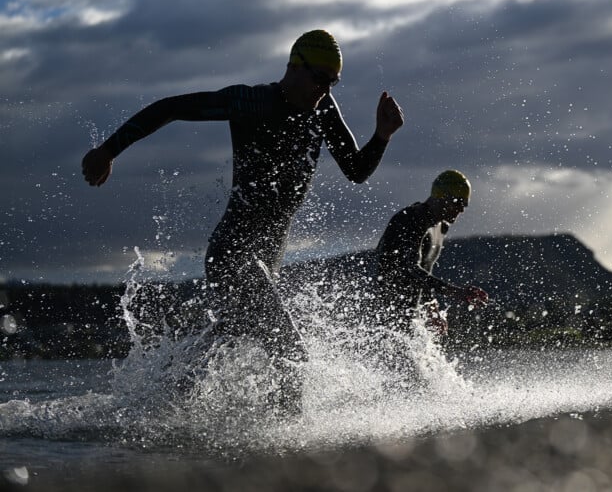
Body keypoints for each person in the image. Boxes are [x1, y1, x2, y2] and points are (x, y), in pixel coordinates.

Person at [81, 30, 404, 412]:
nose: (324, 89)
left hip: (268, 259)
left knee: (226, 344)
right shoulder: (251, 101)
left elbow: (355, 169)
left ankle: (149, 406)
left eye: (332, 82)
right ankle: (285, 452)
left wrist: (382, 136)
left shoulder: (323, 108)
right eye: (318, 78)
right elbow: (170, 108)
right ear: (294, 67)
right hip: (233, 253)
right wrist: (108, 150)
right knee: (292, 356)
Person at [372, 170, 488, 382]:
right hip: (386, 316)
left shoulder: (441, 227)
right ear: (439, 196)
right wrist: (455, 291)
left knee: (421, 378)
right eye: (456, 202)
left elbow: (425, 269)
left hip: (412, 316)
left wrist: (431, 307)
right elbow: (407, 269)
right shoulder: (409, 220)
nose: (460, 209)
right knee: (405, 380)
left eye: (465, 204)